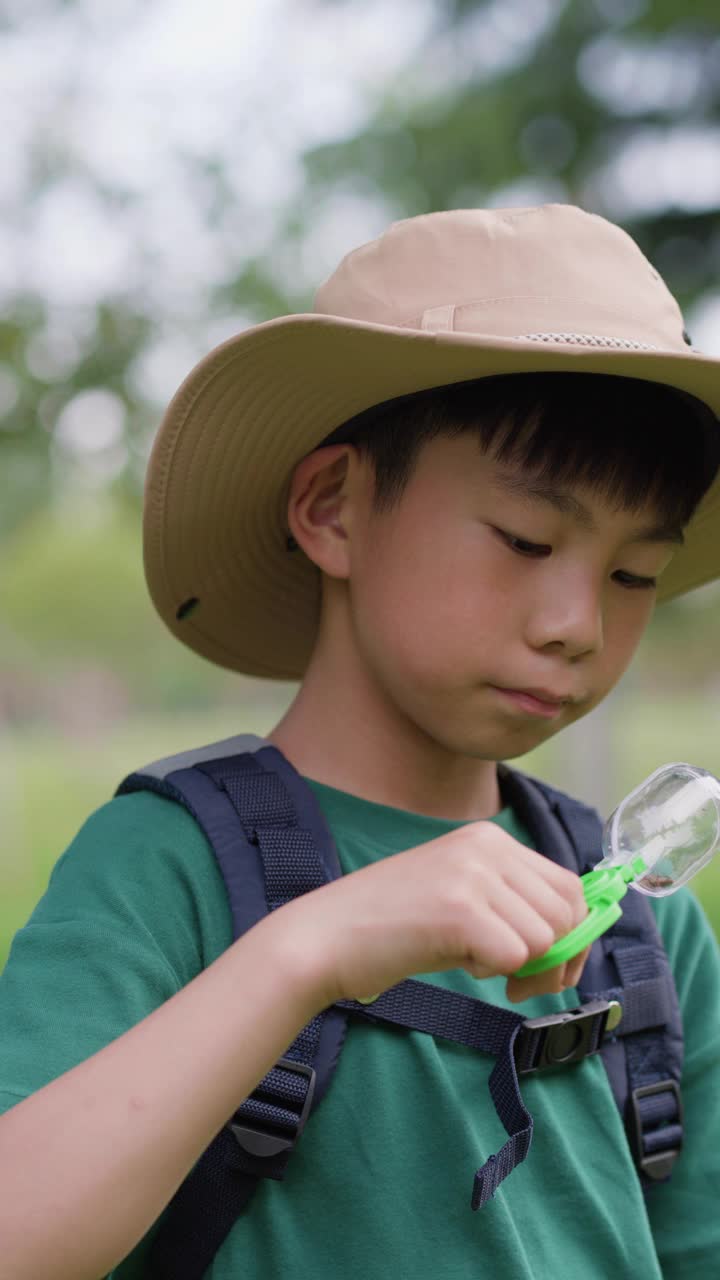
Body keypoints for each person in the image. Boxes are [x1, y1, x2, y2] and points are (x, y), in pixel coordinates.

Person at [1, 203, 720, 1280]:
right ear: (333, 507)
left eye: (632, 573)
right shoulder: (165, 867)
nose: (577, 620)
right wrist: (304, 950)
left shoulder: (644, 940)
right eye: (525, 538)